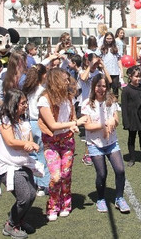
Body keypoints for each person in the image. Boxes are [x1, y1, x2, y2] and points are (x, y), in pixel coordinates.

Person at [37, 69, 87, 222]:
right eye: (64, 79)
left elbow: (70, 117)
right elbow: (52, 125)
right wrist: (75, 122)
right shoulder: (44, 100)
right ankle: (52, 205)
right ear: (55, 81)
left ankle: (65, 203)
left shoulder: (68, 98)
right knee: (56, 176)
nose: (67, 82)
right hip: (51, 142)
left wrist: (73, 126)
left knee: (66, 175)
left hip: (67, 141)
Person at [0, 89, 40, 238]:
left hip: (23, 162)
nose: (26, 105)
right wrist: (26, 144)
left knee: (32, 194)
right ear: (13, 104)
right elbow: (11, 141)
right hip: (8, 165)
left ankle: (20, 220)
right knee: (24, 196)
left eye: (26, 102)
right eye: (22, 103)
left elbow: (30, 139)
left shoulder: (24, 120)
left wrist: (30, 144)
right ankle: (11, 225)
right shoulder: (4, 120)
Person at [80, 74, 130, 213]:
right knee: (102, 173)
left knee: (120, 170)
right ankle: (101, 199)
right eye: (98, 86)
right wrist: (104, 124)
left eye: (104, 86)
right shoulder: (87, 104)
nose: (101, 89)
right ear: (93, 87)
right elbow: (88, 126)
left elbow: (117, 120)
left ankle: (119, 198)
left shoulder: (111, 101)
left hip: (111, 142)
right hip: (95, 144)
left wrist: (113, 122)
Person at [23, 64, 51, 196]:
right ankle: (43, 184)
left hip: (29, 123)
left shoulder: (29, 89)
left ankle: (34, 182)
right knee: (42, 155)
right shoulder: (43, 91)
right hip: (39, 123)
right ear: (43, 75)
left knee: (32, 155)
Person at [120, 66, 141, 166]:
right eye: (136, 76)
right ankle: (132, 158)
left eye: (139, 76)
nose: (138, 79)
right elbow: (124, 107)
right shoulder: (126, 90)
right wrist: (126, 121)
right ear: (130, 76)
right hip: (132, 118)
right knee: (131, 137)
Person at [100, 32, 122, 97]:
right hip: (106, 72)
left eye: (110, 38)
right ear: (105, 39)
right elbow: (99, 59)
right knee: (106, 89)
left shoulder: (116, 48)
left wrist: (121, 70)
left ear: (113, 39)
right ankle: (106, 102)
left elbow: (119, 59)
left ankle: (115, 103)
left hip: (115, 72)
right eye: (107, 38)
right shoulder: (102, 48)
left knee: (115, 89)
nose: (109, 40)